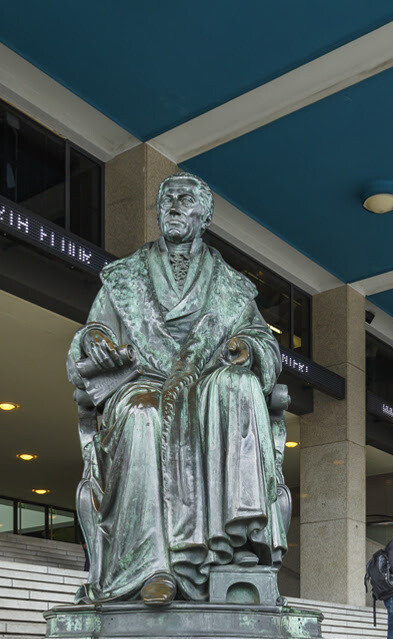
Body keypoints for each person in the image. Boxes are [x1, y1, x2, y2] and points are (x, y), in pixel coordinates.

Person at [66, 173, 290, 605]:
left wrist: (245, 348)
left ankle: (237, 544)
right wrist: (96, 340)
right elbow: (91, 334)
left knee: (238, 388)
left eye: (184, 200)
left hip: (204, 384)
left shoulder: (232, 287)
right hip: (144, 381)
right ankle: (152, 567)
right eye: (165, 199)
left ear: (205, 216)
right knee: (142, 413)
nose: (172, 206)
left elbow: (265, 342)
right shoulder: (124, 277)